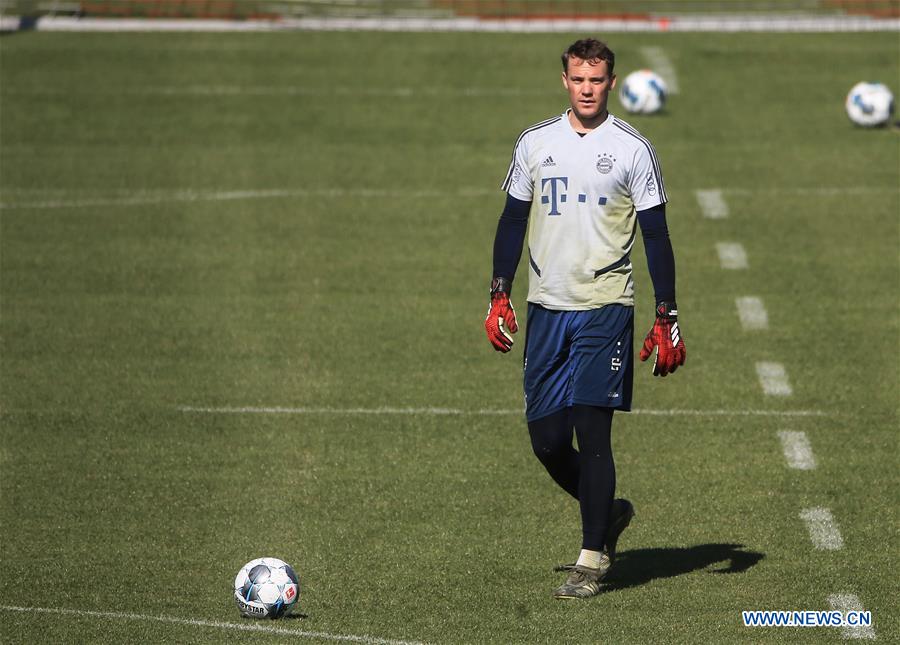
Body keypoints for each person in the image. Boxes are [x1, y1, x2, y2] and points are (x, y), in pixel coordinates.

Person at [484, 38, 686, 599]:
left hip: (606, 306)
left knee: (592, 428)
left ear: (611, 83)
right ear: (565, 81)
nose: (588, 89)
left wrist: (666, 311)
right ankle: (610, 511)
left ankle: (592, 555)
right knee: (547, 441)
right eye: (579, 79)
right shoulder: (534, 143)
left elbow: (657, 235)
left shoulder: (632, 149)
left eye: (596, 80)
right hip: (547, 306)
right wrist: (499, 293)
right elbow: (509, 222)